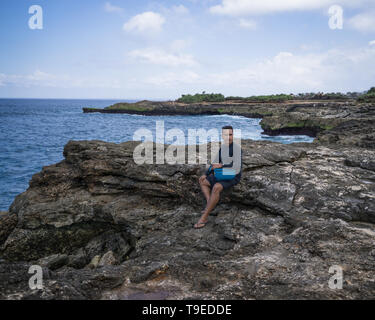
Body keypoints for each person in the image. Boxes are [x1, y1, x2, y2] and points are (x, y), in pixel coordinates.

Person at [194, 125, 242, 229]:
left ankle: (204, 217)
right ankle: (209, 205)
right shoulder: (223, 147)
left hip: (233, 175)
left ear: (233, 135)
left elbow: (237, 166)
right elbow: (214, 163)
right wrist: (206, 174)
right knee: (202, 181)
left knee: (216, 187)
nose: (228, 137)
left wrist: (222, 165)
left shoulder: (236, 148)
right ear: (222, 136)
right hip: (222, 174)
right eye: (226, 135)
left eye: (230, 134)